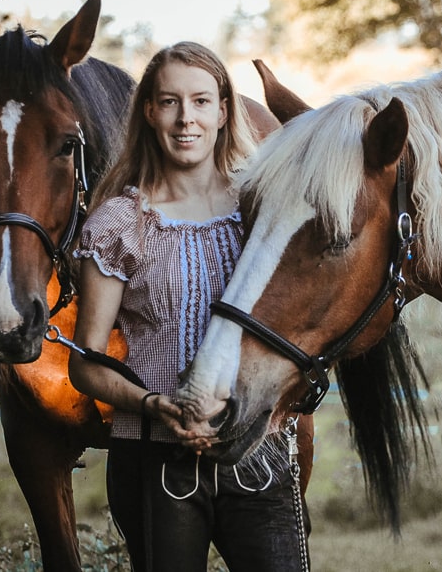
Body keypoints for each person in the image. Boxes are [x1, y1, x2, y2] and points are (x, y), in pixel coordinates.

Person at [69, 41, 310, 572]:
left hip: (258, 452)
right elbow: (85, 363)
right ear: (150, 113)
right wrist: (155, 405)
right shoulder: (117, 224)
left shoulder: (263, 211)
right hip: (156, 460)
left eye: (201, 102)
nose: (186, 119)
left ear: (224, 112)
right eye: (170, 102)